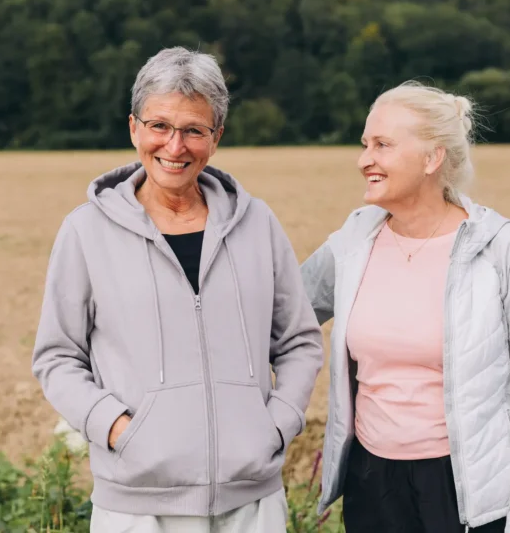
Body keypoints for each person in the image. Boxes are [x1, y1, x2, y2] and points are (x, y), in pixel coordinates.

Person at [31, 46, 324, 532]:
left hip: (251, 504)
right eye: (160, 126)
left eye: (194, 130)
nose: (175, 146)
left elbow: (298, 340)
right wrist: (119, 430)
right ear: (134, 128)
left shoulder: (257, 224)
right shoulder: (86, 232)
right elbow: (57, 357)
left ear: (217, 137)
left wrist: (276, 425)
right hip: (138, 507)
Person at [300, 81, 510, 532]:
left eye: (382, 145)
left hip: (464, 491)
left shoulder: (497, 248)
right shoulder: (352, 242)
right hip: (372, 484)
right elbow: (277, 320)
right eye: (365, 144)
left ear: (431, 157)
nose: (365, 160)